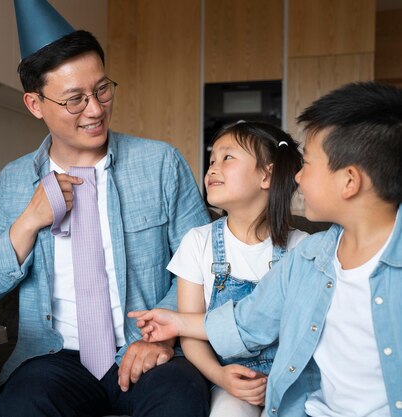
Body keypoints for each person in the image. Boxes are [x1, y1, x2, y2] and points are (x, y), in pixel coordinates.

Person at [0, 1, 211, 416]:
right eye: (75, 100)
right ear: (35, 104)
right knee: (22, 406)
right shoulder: (13, 181)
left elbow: (204, 263)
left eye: (102, 89)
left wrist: (163, 334)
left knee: (180, 398)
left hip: (144, 346)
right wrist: (30, 220)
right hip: (52, 358)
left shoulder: (160, 164)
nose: (96, 110)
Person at [130, 82, 402, 417]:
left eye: (308, 166)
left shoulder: (300, 248)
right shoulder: (310, 258)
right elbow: (250, 321)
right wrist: (177, 323)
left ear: (349, 181)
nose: (297, 178)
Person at [130, 121, 308, 416]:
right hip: (229, 381)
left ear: (267, 175)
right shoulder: (198, 242)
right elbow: (190, 330)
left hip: (292, 378)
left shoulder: (304, 248)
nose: (212, 169)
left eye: (228, 158)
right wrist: (220, 376)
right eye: (212, 160)